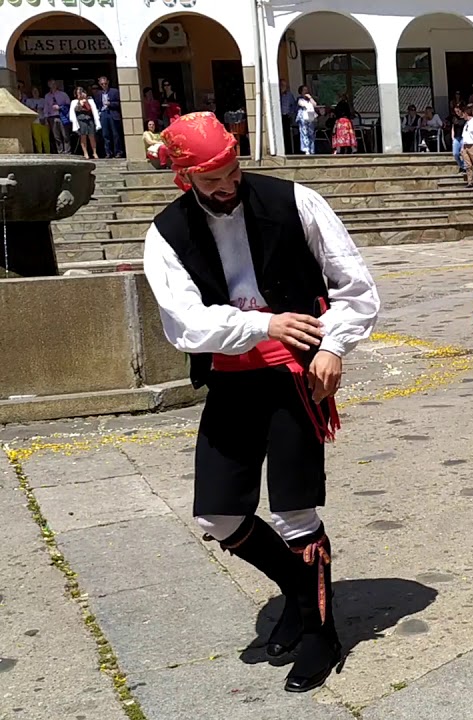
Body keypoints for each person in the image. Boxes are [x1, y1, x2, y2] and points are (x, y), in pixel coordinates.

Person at [141, 111, 379, 693]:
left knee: (294, 510)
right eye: (210, 180)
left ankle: (321, 632)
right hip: (231, 377)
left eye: (230, 170)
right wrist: (265, 324)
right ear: (183, 178)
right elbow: (186, 325)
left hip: (295, 374)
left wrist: (335, 345)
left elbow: (357, 285)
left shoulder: (296, 201)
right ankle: (300, 597)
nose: (226, 186)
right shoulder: (166, 234)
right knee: (218, 514)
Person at [69, 87, 102, 160]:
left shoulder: (89, 100)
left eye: (81, 92)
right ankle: (85, 153)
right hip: (80, 120)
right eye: (78, 93)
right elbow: (72, 112)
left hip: (89, 119)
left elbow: (93, 110)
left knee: (92, 136)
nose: (80, 94)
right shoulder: (74, 102)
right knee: (83, 137)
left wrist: (85, 100)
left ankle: (94, 152)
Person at [97, 76, 125, 159]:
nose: (104, 85)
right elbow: (97, 104)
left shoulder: (114, 91)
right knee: (105, 134)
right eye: (102, 84)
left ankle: (118, 152)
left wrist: (111, 104)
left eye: (105, 83)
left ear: (108, 82)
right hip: (104, 114)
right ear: (99, 84)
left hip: (113, 114)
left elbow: (119, 103)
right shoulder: (99, 93)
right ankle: (108, 152)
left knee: (116, 134)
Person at [42, 80, 71, 155]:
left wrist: (60, 107)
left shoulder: (63, 94)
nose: (53, 85)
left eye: (54, 84)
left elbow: (68, 105)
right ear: (49, 85)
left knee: (65, 135)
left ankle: (67, 151)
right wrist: (46, 118)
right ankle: (60, 151)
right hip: (52, 117)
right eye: (51, 84)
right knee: (56, 136)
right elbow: (46, 107)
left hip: (62, 116)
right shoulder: (47, 96)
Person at [296, 86, 319, 155]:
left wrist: (310, 98)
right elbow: (302, 104)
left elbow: (315, 105)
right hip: (303, 117)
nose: (306, 91)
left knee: (311, 133)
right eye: (304, 90)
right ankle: (306, 149)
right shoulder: (299, 99)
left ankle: (312, 149)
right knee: (304, 133)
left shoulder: (310, 100)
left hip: (310, 116)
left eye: (307, 90)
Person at [280, 80, 298, 154]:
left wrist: (291, 113)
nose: (284, 87)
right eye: (282, 85)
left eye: (285, 85)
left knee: (287, 134)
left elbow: (293, 105)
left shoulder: (289, 95)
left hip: (286, 116)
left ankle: (289, 151)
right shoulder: (277, 94)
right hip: (279, 117)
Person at [450, 106, 467, 173]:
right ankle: (461, 165)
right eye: (455, 111)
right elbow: (453, 127)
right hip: (456, 137)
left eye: (458, 111)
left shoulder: (465, 118)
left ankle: (464, 167)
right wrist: (452, 137)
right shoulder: (455, 118)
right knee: (455, 153)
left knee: (463, 153)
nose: (457, 113)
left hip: (463, 137)